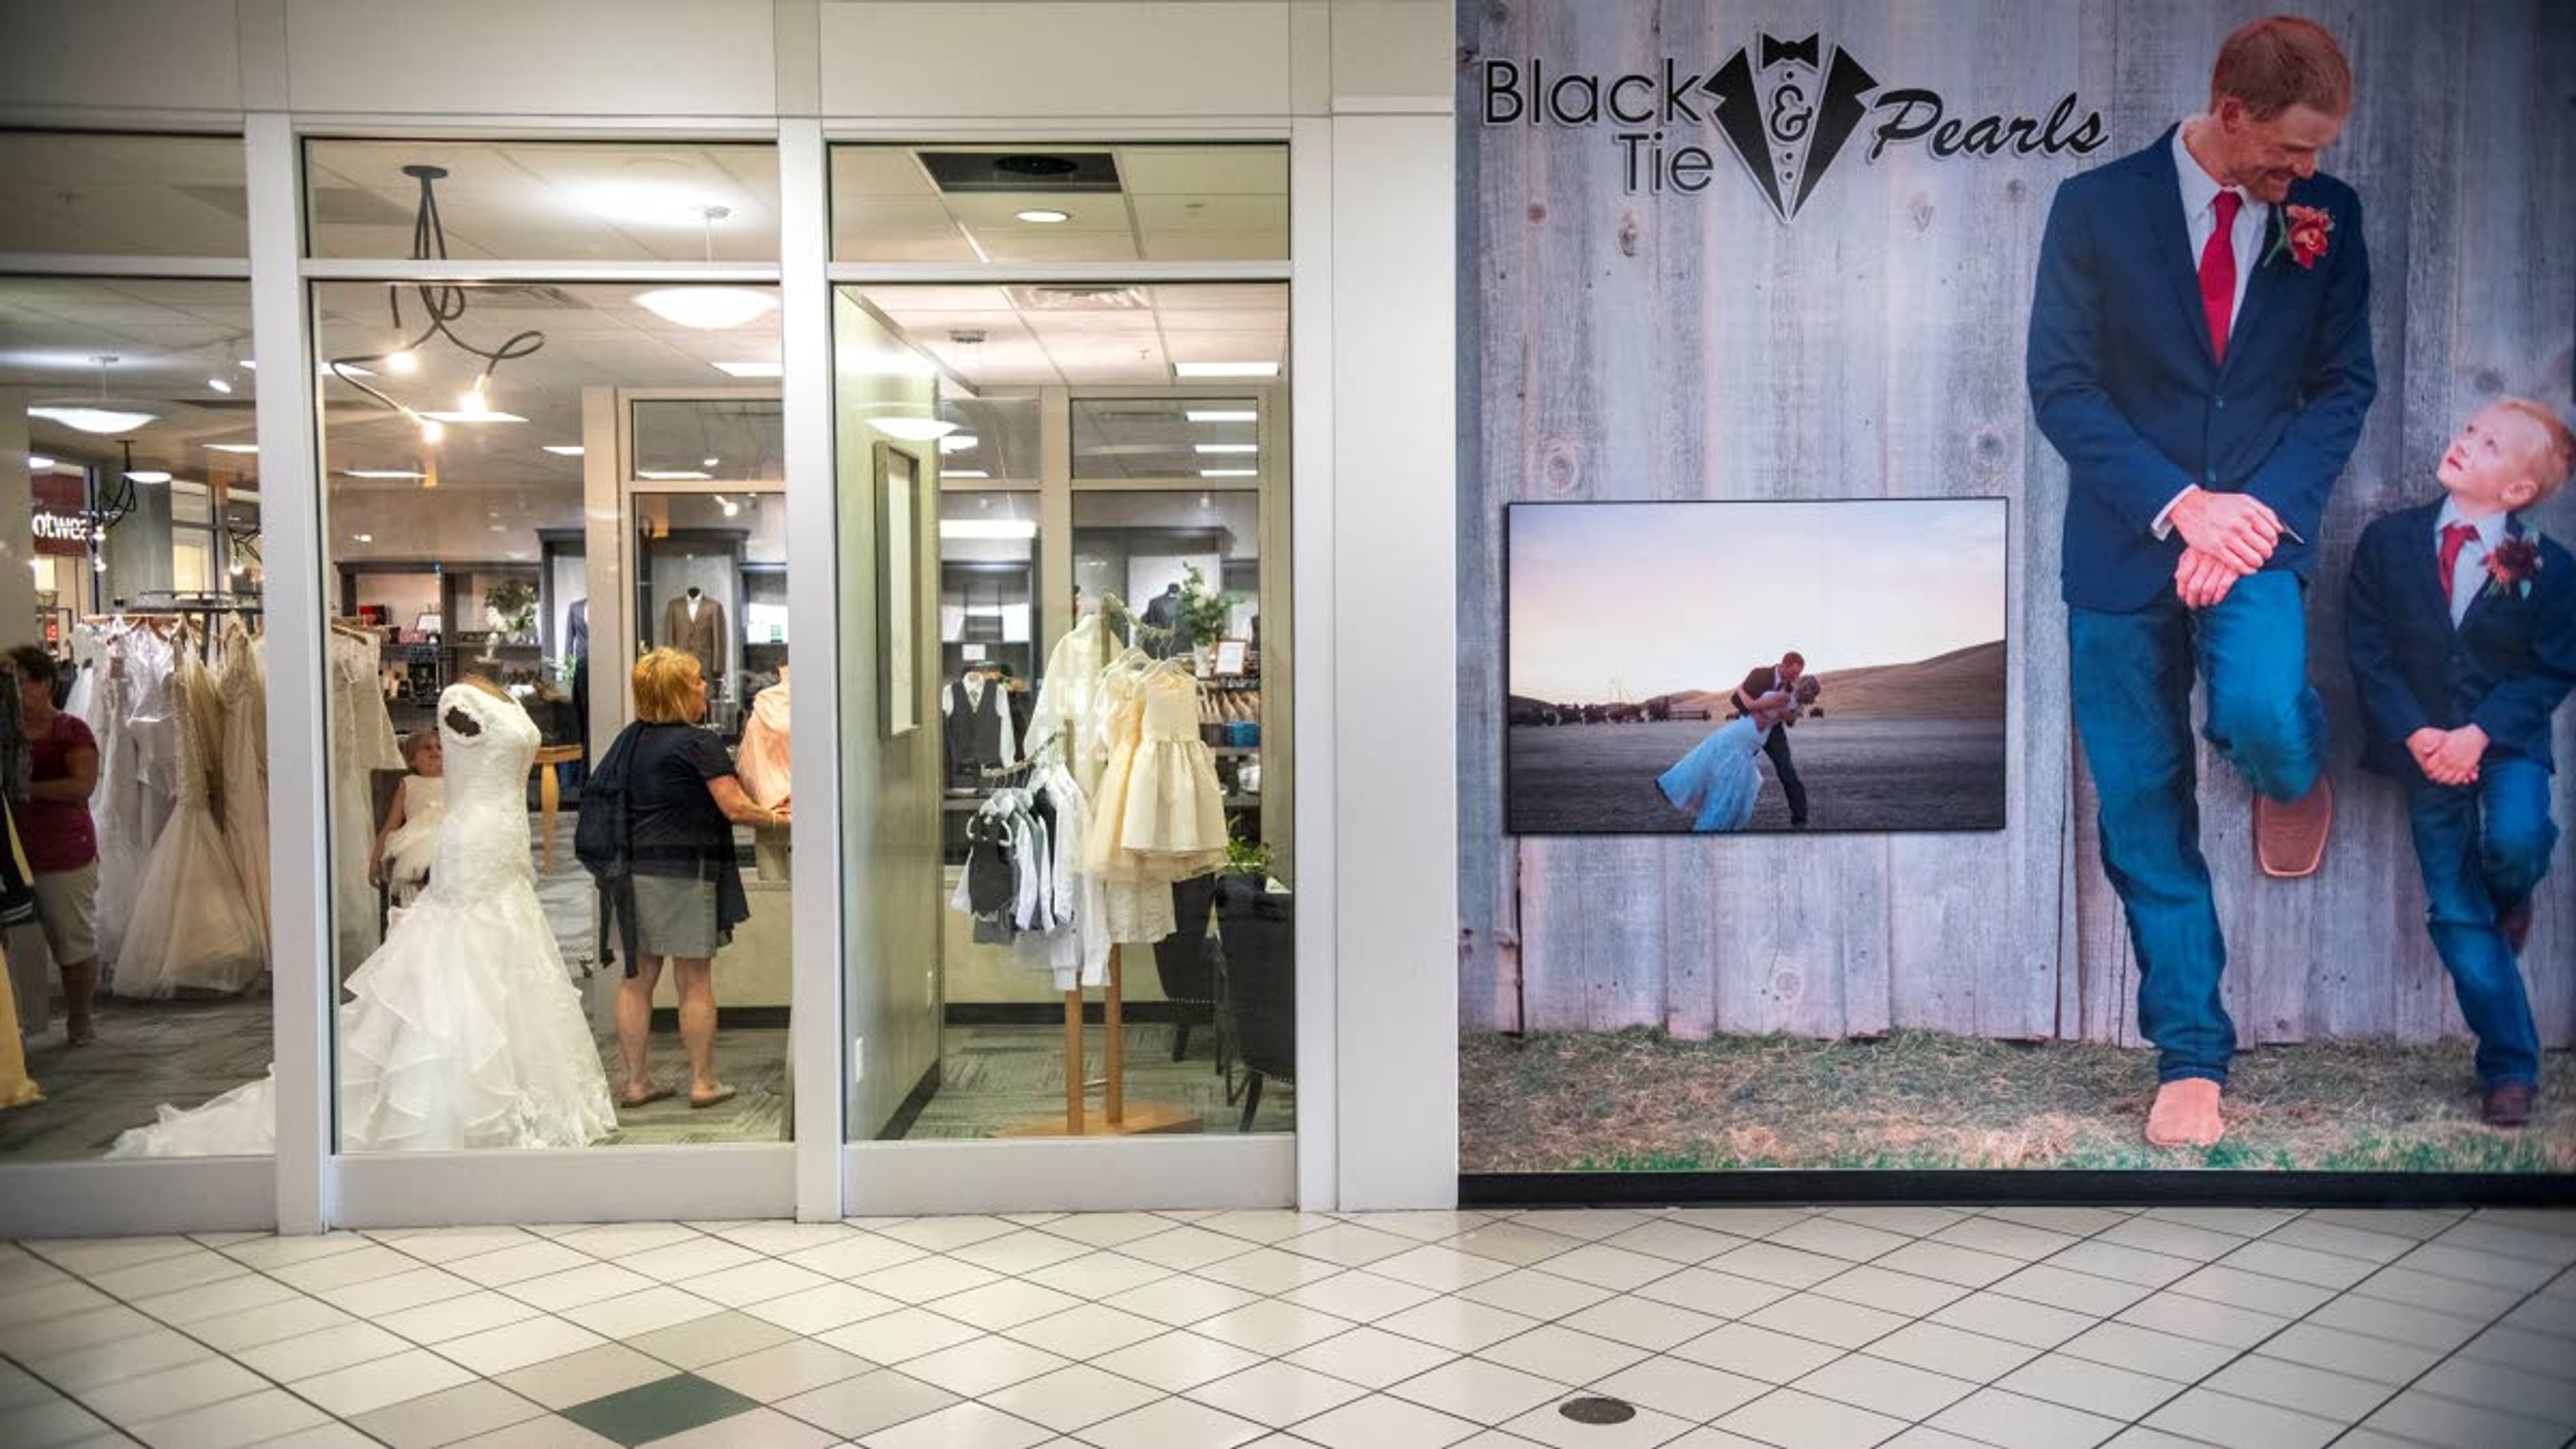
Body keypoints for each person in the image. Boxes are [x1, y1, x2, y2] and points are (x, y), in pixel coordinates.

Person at [2027, 15, 2375, 1148]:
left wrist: (2249, 517)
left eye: (2320, 152)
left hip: (2261, 535)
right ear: (2232, 117)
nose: (2309, 172)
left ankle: (2289, 773)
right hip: (2125, 550)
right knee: (2141, 811)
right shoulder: (2094, 208)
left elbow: (2341, 389)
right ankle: (2190, 1056)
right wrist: (2186, 507)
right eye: (2296, 146)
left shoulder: (2330, 221)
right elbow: (2064, 388)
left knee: (2266, 712)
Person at [111, 679, 616, 1156]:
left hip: (505, 843)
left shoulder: (497, 699)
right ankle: (447, 1102)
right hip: (473, 842)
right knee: (462, 959)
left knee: (509, 955)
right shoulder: (459, 700)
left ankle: (520, 1092)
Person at [2345, 400, 2575, 1128]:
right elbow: (2368, 650)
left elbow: (2551, 669)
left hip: (2505, 747)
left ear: (2517, 493)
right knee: (2455, 908)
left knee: (2515, 842)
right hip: (2423, 756)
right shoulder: (2387, 544)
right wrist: (2417, 734)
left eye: (2488, 445)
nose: (2464, 442)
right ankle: (2509, 1066)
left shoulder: (2548, 567)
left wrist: (2479, 733)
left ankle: (2514, 891)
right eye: (2469, 431)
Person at [589, 648, 785, 1110]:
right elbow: (736, 808)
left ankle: (635, 1084)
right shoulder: (700, 743)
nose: (705, 687)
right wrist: (784, 821)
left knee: (636, 980)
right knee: (694, 980)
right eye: (697, 681)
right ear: (678, 691)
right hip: (684, 872)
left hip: (629, 874)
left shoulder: (629, 741)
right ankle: (702, 1082)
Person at [9, 645, 100, 1046]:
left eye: (19, 681)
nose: (12, 690)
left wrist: (27, 790)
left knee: (70, 935)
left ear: (44, 683)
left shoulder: (71, 730)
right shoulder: (5, 732)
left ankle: (80, 1020)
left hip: (62, 848)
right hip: (11, 848)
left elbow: (83, 785)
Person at [1661, 675, 1821, 833]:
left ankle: (1711, 823)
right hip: (1754, 736)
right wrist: (1788, 709)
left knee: (1723, 778)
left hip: (1746, 732)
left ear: (1801, 683)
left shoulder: (1785, 697)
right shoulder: (1794, 705)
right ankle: (1715, 822)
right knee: (1730, 782)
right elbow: (1788, 721)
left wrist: (1740, 690)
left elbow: (1751, 705)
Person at [1730, 651, 1812, 826]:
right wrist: (1757, 713)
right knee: (1737, 771)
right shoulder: (1759, 674)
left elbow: (1790, 723)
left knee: (1787, 771)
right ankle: (1729, 814)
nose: (1797, 677)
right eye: (1794, 672)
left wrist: (1791, 714)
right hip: (1750, 729)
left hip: (1774, 733)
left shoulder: (1793, 687)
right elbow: (1736, 699)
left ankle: (1800, 820)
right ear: (1784, 666)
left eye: (1799, 674)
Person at [368, 728, 447, 908]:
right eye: (427, 748)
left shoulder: (454, 781)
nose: (435, 751)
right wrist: (375, 860)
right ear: (412, 760)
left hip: (450, 831)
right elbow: (391, 826)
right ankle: (425, 909)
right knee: (426, 862)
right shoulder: (408, 784)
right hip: (419, 836)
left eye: (439, 747)